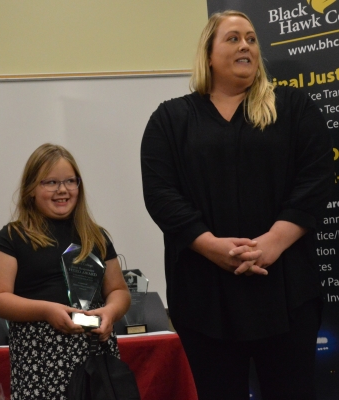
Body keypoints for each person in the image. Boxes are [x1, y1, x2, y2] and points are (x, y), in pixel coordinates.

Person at [141, 10, 333, 400]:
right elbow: (161, 194)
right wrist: (211, 245)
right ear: (208, 54)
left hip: (286, 291)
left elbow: (316, 178)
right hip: (203, 296)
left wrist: (273, 243)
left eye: (251, 38)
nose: (245, 45)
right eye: (232, 38)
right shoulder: (170, 119)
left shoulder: (293, 107)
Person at [0, 143, 130, 400]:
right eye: (50, 182)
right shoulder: (13, 236)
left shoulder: (96, 236)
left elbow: (119, 290)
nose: (62, 190)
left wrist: (110, 312)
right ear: (31, 190)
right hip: (40, 361)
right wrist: (48, 311)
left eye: (70, 181)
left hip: (94, 355)